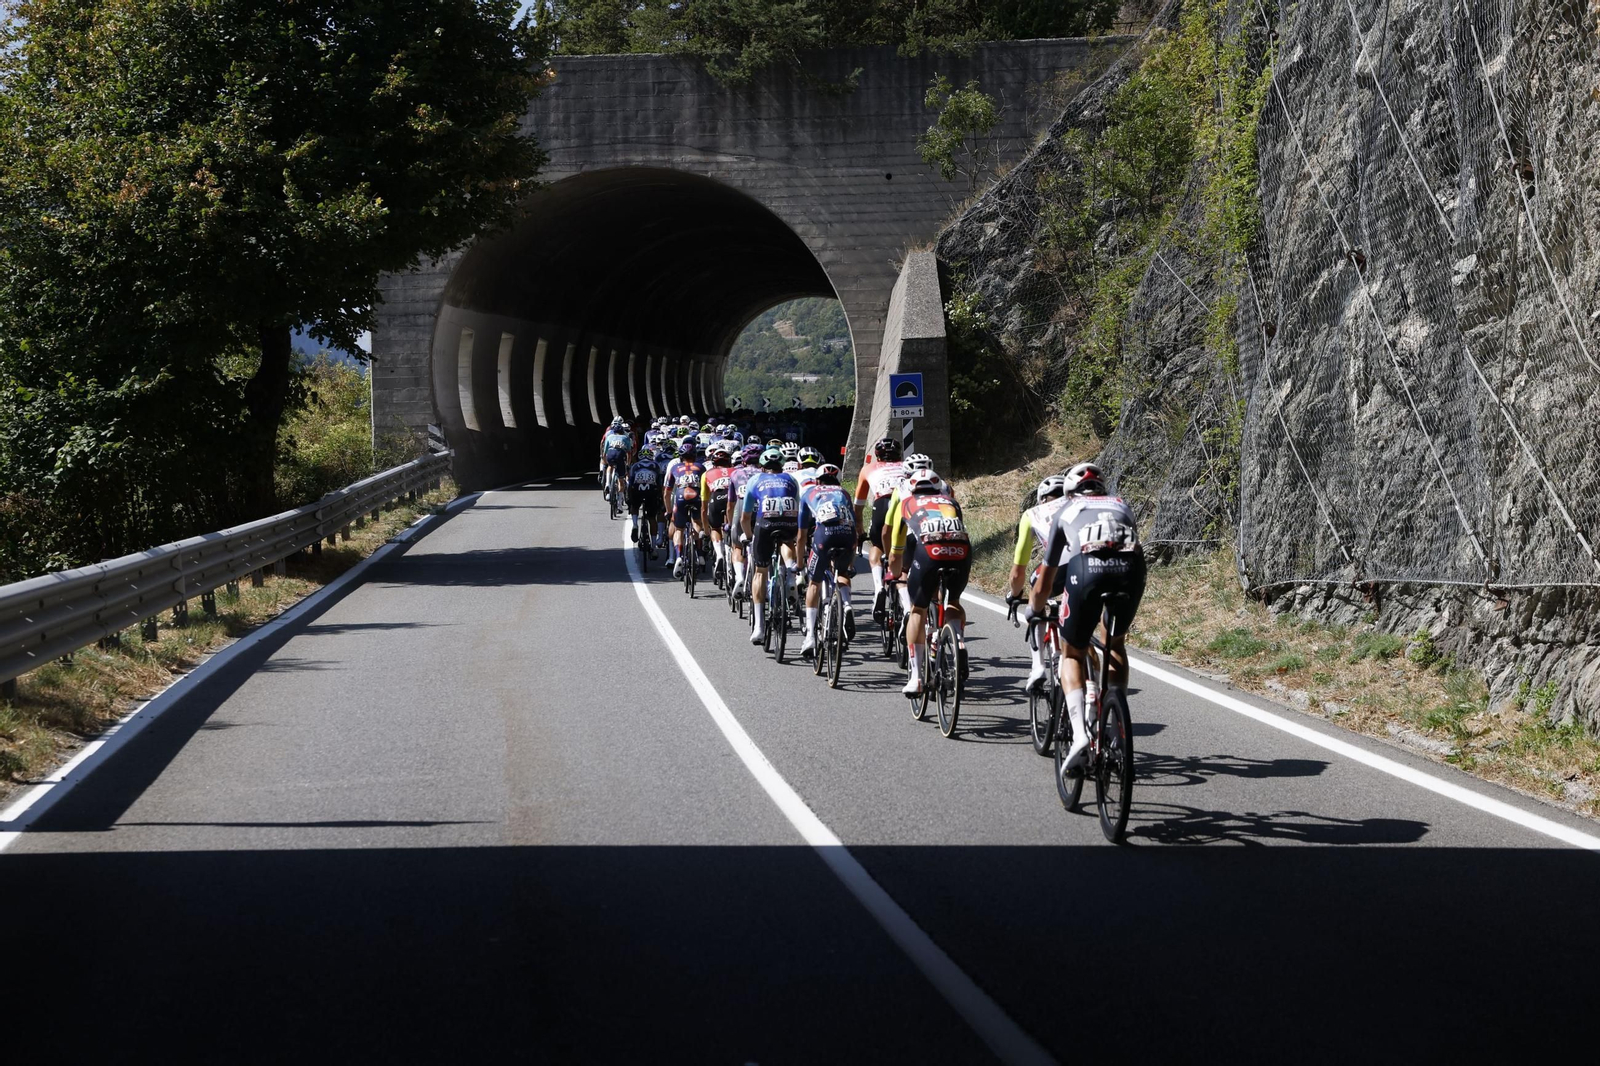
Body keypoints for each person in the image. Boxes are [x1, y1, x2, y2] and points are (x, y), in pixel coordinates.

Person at [1027, 462, 1144, 772]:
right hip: (1131, 572)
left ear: (1069, 493)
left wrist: (1034, 609)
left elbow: (1046, 579)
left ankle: (1080, 734)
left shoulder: (1065, 511)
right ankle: (1115, 720)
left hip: (1087, 570)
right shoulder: (1122, 505)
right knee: (1114, 643)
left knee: (1072, 653)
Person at [885, 467, 970, 697]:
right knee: (953, 601)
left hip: (929, 551)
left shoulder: (906, 503)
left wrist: (895, 573)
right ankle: (958, 640)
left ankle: (916, 678)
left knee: (918, 609)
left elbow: (896, 551)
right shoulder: (951, 501)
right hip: (961, 550)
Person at [1007, 473, 1071, 692]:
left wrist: (1015, 595)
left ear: (1042, 498)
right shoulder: (1080, 505)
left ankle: (1038, 666)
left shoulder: (1032, 513)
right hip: (1091, 564)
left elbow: (1018, 571)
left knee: (1037, 599)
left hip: (1057, 566)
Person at [740, 447, 800, 646]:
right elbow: (796, 506)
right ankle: (791, 574)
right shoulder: (791, 479)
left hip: (765, 524)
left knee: (760, 572)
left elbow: (745, 517)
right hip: (789, 522)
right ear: (781, 465)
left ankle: (759, 626)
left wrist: (750, 537)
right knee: (786, 541)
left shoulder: (755, 480)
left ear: (762, 466)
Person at [796, 463, 857, 659]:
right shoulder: (844, 493)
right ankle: (846, 605)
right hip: (847, 534)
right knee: (843, 573)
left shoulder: (809, 493)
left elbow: (801, 535)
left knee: (814, 582)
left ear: (817, 480)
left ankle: (810, 637)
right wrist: (850, 563)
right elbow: (854, 526)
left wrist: (799, 564)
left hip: (825, 535)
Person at [854, 437, 905, 623]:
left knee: (876, 545)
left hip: (882, 504)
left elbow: (858, 504)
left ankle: (878, 588)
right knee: (905, 547)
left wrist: (859, 528)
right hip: (905, 505)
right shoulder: (906, 467)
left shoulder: (868, 469)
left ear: (877, 455)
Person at [662, 438, 706, 579]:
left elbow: (667, 492)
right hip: (696, 495)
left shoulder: (675, 468)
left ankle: (679, 556)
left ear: (681, 456)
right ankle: (700, 554)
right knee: (697, 522)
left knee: (679, 529)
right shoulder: (701, 467)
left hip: (681, 495)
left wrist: (669, 511)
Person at [725, 442, 764, 599]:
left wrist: (729, 524)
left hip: (741, 507)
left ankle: (740, 576)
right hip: (762, 508)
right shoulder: (765, 473)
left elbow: (730, 504)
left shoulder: (736, 473)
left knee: (737, 545)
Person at [699, 442, 736, 587]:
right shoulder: (736, 471)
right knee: (733, 527)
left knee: (715, 528)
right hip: (732, 500)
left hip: (716, 498)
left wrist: (706, 530)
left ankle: (719, 554)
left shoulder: (706, 474)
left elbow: (703, 507)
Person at [626, 446, 665, 549]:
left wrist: (629, 498)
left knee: (634, 507)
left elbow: (630, 483)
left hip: (637, 489)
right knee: (652, 517)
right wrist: (660, 497)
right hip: (651, 490)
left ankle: (635, 524)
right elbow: (660, 483)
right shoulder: (656, 465)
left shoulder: (635, 466)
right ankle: (654, 546)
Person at [599, 418, 634, 499]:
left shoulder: (609, 436)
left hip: (610, 454)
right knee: (621, 478)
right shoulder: (626, 437)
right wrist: (628, 464)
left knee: (609, 466)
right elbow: (629, 453)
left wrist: (604, 459)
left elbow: (605, 450)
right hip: (620, 455)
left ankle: (607, 483)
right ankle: (620, 502)